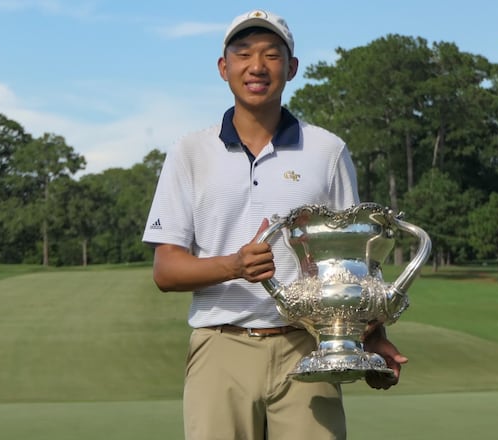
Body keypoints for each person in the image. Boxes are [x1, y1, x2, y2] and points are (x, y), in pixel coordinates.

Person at [142, 9, 408, 439]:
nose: (257, 66)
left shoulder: (327, 150)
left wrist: (372, 339)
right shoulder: (188, 152)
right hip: (220, 344)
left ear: (292, 68)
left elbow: (354, 264)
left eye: (271, 54)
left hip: (308, 346)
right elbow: (166, 270)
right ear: (223, 68)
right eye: (243, 54)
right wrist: (234, 266)